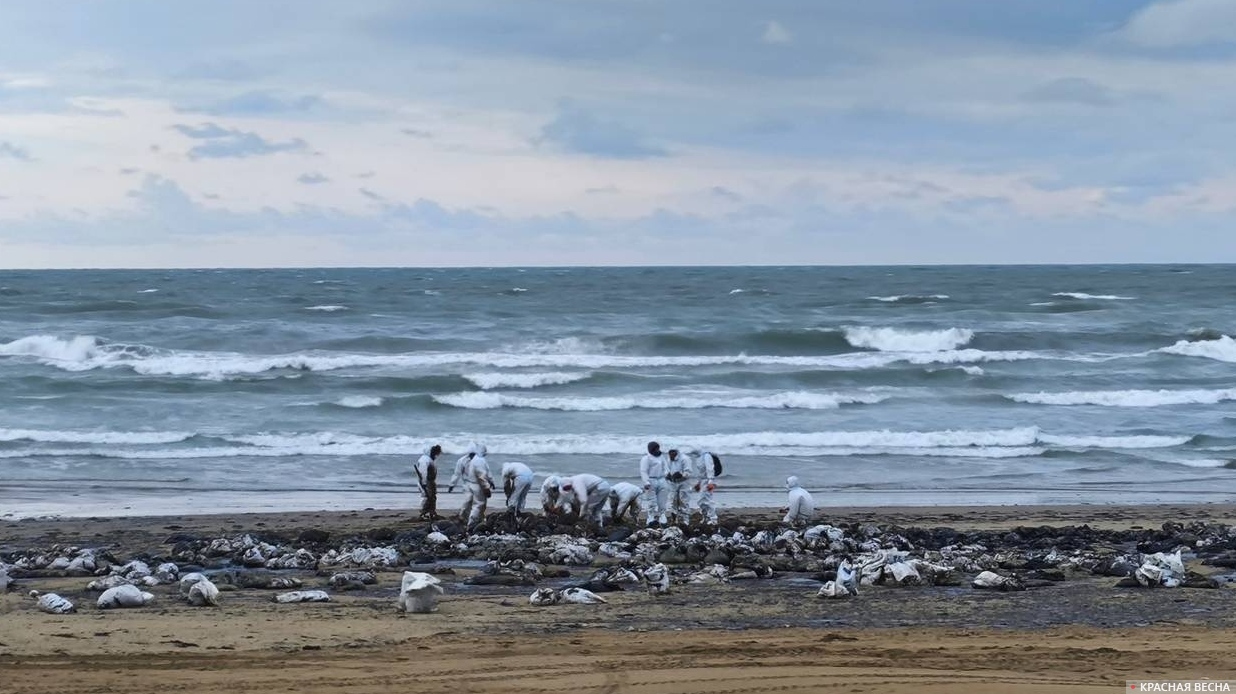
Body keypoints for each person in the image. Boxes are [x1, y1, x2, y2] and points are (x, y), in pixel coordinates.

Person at [685, 448, 719, 525]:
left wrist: (710, 482)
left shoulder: (706, 456)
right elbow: (701, 472)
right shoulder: (698, 458)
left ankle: (713, 519)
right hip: (703, 481)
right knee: (701, 501)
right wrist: (699, 483)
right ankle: (706, 517)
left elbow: (710, 469)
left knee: (708, 500)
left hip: (708, 481)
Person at [638, 441, 669, 527]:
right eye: (655, 449)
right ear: (651, 449)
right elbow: (643, 471)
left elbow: (665, 467)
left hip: (662, 480)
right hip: (651, 480)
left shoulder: (661, 457)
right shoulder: (646, 458)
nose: (657, 450)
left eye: (658, 448)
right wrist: (646, 482)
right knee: (652, 501)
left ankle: (662, 516)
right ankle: (650, 517)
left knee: (662, 500)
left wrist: (667, 474)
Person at [414, 444, 443, 521]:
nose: (436, 455)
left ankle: (431, 513)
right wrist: (424, 482)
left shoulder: (428, 459)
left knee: (432, 498)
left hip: (430, 481)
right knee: (426, 497)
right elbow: (423, 472)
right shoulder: (425, 460)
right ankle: (423, 513)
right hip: (426, 482)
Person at [664, 448, 692, 525]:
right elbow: (666, 470)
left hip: (684, 483)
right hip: (672, 483)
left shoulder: (685, 459)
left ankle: (685, 521)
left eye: (673, 452)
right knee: (672, 501)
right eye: (669, 452)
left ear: (676, 452)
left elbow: (688, 472)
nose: (671, 454)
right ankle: (674, 520)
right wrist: (667, 475)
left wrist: (681, 474)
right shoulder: (669, 459)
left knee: (683, 501)